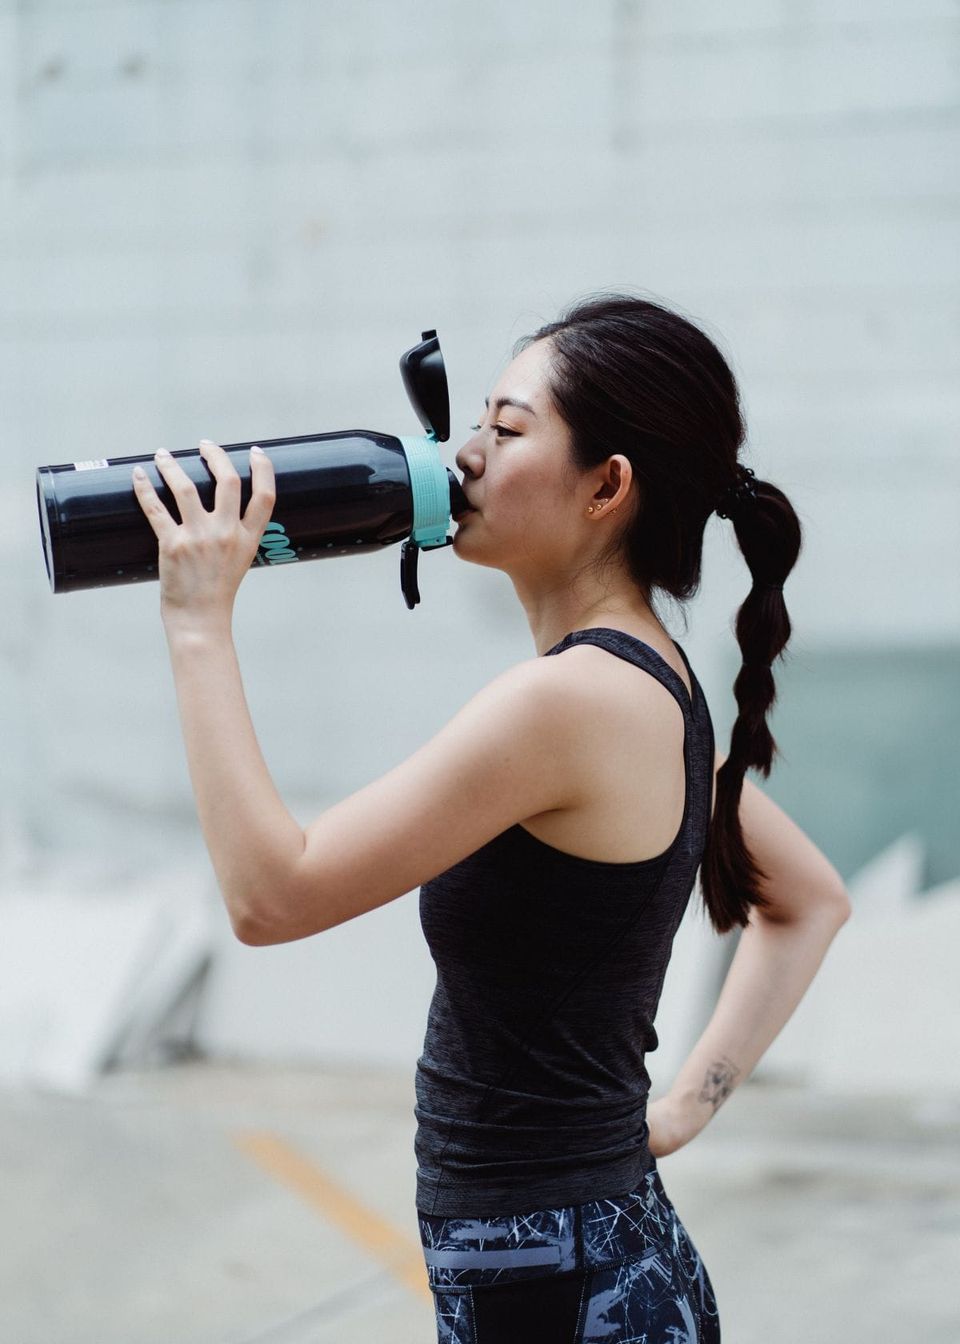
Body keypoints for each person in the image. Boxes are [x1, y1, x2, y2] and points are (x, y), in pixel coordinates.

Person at [132, 291, 853, 1343]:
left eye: (506, 431)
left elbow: (270, 895)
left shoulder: (567, 703)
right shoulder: (652, 686)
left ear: (607, 486)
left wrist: (199, 625)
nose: (464, 456)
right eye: (474, 422)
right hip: (584, 1267)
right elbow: (814, 902)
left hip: (558, 1290)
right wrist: (686, 1107)